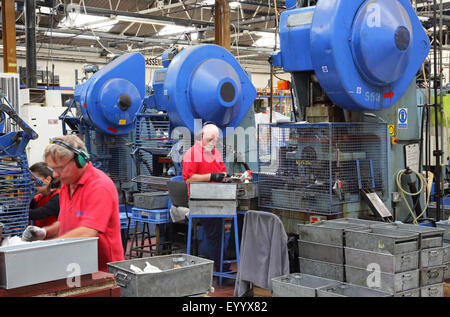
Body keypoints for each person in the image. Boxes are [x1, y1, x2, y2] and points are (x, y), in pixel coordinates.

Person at [22, 135, 124, 272]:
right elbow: (67, 222)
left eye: (59, 169)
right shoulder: (66, 185)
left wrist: (48, 248)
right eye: (53, 169)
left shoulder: (99, 187)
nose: (54, 176)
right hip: (77, 265)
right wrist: (44, 232)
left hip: (103, 271)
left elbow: (87, 231)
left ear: (80, 161)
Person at [182, 123, 228, 273]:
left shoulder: (215, 153)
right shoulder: (192, 153)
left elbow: (222, 171)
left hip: (216, 198)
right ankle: (216, 267)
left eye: (215, 141)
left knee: (224, 229)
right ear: (202, 137)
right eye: (209, 140)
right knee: (213, 231)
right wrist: (210, 177)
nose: (212, 144)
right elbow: (188, 179)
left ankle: (219, 263)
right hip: (199, 199)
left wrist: (225, 178)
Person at [29, 162, 61, 228]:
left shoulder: (58, 197)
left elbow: (38, 213)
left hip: (56, 237)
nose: (30, 184)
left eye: (33, 180)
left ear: (47, 180)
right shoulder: (37, 198)